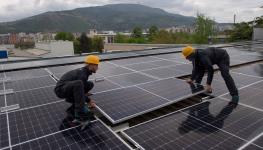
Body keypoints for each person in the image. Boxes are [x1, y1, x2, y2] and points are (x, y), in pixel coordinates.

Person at [54, 55, 100, 121]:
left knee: (90, 84)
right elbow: (79, 86)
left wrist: (84, 96)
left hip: (68, 87)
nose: (97, 67)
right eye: (96, 65)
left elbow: (81, 87)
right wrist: (88, 100)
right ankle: (79, 112)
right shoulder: (82, 74)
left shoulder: (85, 72)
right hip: (61, 90)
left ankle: (72, 99)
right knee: (79, 83)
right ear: (91, 65)